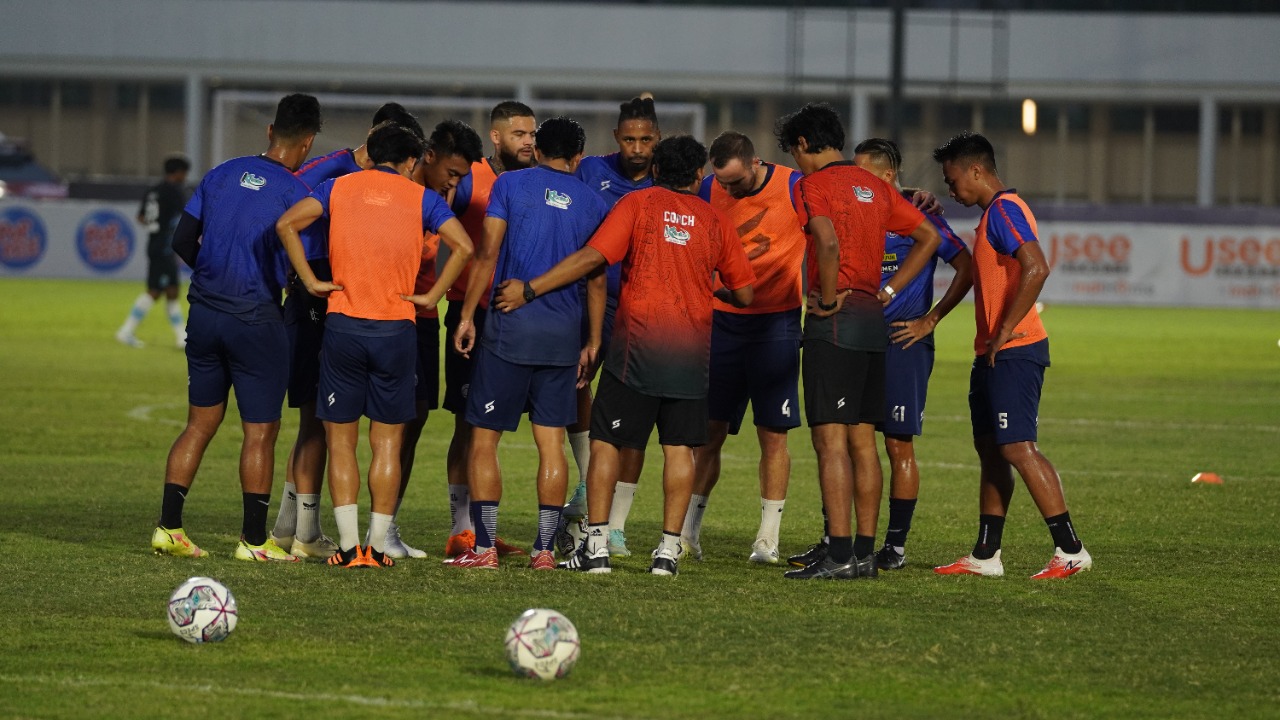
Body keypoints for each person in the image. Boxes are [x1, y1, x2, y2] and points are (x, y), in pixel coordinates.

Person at [495, 135, 756, 577]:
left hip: (636, 347)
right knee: (679, 449)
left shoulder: (638, 204)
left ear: (655, 170)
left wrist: (532, 288)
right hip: (690, 353)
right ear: (699, 175)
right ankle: (667, 554)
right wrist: (706, 285)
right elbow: (745, 293)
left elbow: (593, 258)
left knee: (606, 443)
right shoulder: (715, 220)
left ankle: (596, 547)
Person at [276, 122, 474, 568]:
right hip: (396, 330)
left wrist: (311, 281)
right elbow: (463, 246)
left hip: (343, 327)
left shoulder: (338, 187)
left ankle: (349, 549)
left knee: (340, 442)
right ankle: (378, 548)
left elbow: (286, 223)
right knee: (387, 444)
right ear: (410, 161)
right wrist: (433, 295)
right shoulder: (421, 198)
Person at [772, 102, 942, 581]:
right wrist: (889, 291)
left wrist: (827, 297)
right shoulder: (875, 186)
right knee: (864, 442)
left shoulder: (813, 185)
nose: (796, 161)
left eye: (794, 152)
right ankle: (865, 555)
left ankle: (840, 553)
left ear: (803, 144)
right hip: (873, 320)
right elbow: (928, 237)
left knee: (830, 442)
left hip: (837, 323)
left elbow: (826, 241)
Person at [149, 93, 322, 562]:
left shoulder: (221, 173)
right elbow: (304, 262)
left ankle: (169, 528)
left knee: (198, 424)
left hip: (205, 314)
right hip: (256, 320)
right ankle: (253, 540)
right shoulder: (296, 194)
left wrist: (213, 274)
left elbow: (182, 239)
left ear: (270, 130)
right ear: (308, 142)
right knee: (260, 432)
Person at [446, 117, 609, 570]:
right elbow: (597, 281)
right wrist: (593, 341)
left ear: (536, 150)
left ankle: (484, 548)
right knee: (552, 443)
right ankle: (543, 551)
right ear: (578, 157)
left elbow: (487, 253)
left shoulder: (510, 185)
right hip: (562, 337)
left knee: (484, 440)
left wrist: (466, 315)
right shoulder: (594, 203)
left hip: (509, 329)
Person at [930, 131, 1092, 579]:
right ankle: (986, 555)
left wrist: (1004, 328)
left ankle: (1071, 550)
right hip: (991, 353)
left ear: (976, 170)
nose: (951, 190)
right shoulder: (992, 215)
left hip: (1015, 349)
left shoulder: (1004, 210)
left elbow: (1037, 267)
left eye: (952, 180)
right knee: (991, 451)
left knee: (1018, 448)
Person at [677, 130, 804, 565]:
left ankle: (767, 540)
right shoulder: (707, 189)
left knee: (773, 434)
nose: (728, 191)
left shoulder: (793, 186)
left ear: (755, 163)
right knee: (708, 434)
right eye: (722, 183)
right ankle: (688, 534)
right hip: (722, 324)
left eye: (736, 182)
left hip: (776, 324)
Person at [861, 138, 973, 570]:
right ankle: (847, 542)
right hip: (859, 339)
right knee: (851, 442)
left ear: (887, 175)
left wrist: (931, 319)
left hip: (904, 341)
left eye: (865, 174)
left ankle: (895, 548)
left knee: (897, 444)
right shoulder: (858, 212)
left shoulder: (920, 216)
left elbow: (966, 266)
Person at [564, 96, 661, 557]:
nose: (637, 149)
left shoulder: (671, 176)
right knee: (578, 382)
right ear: (616, 138)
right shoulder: (590, 171)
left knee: (637, 409)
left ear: (657, 140)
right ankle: (588, 481)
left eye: (646, 140)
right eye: (629, 139)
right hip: (594, 300)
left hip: (647, 309)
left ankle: (617, 526)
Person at [440, 101, 536, 560]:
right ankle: (461, 530)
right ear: (496, 137)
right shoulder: (470, 178)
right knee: (467, 423)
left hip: (518, 314)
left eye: (532, 134)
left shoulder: (533, 180)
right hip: (471, 313)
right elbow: (435, 224)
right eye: (519, 134)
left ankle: (483, 530)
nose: (528, 142)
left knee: (494, 427)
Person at [397, 119, 485, 558]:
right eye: (451, 172)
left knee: (415, 418)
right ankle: (362, 528)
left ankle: (386, 527)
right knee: (384, 423)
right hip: (388, 315)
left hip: (425, 318)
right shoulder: (397, 191)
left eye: (461, 176)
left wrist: (433, 297)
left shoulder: (438, 196)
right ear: (427, 156)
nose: (455, 182)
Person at [116, 155, 191, 350]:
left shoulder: (153, 190)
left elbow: (141, 217)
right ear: (178, 173)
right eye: (184, 173)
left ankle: (181, 336)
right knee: (160, 291)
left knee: (165, 290)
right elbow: (186, 216)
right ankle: (127, 331)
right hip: (164, 247)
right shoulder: (174, 191)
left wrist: (155, 227)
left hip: (154, 244)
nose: (185, 177)